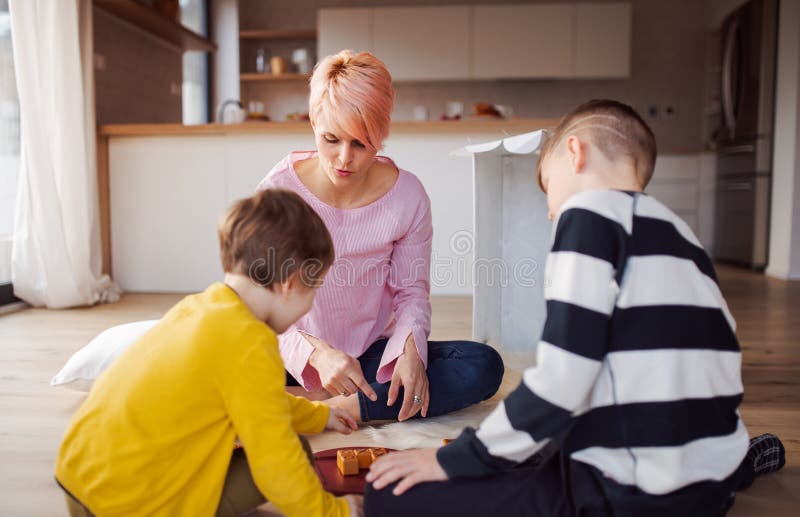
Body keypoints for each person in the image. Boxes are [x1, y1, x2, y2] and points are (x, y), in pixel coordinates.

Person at [364, 99, 786, 517]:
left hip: (632, 494)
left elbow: (561, 384)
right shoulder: (686, 240)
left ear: (575, 152)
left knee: (387, 493)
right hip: (711, 480)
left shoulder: (589, 213)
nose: (550, 213)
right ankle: (741, 462)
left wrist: (450, 461)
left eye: (548, 188)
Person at [55, 189, 363, 517]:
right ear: (290, 284)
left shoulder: (202, 307)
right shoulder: (251, 345)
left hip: (78, 476)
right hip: (126, 503)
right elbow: (275, 463)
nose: (311, 304)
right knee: (293, 452)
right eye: (313, 290)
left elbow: (260, 399)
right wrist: (337, 513)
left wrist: (319, 416)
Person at [257, 49, 504, 423]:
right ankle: (332, 394)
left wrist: (409, 351)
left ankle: (331, 405)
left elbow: (411, 293)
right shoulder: (277, 192)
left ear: (383, 134)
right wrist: (317, 356)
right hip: (295, 353)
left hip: (370, 354)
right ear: (312, 121)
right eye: (331, 139)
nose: (343, 159)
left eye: (361, 144)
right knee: (209, 355)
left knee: (483, 364)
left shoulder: (408, 196)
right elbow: (261, 305)